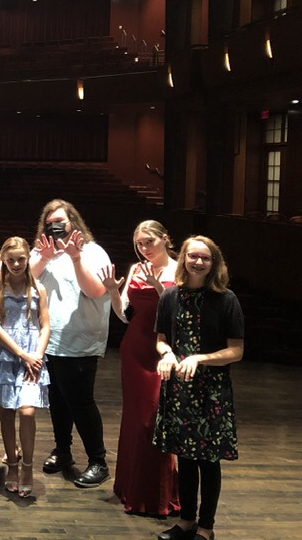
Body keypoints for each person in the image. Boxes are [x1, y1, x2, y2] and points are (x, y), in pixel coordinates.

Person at [153, 236, 244, 540]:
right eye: (193, 256)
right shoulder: (170, 296)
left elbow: (236, 351)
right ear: (184, 259)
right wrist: (167, 354)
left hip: (212, 390)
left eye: (205, 258)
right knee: (185, 457)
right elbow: (161, 340)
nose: (199, 262)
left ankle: (206, 527)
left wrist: (199, 358)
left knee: (208, 460)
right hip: (180, 389)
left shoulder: (226, 299)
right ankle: (186, 520)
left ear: (214, 262)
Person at [100, 220, 180, 517]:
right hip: (134, 348)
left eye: (149, 242)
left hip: (163, 350)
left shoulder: (179, 270)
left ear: (165, 238)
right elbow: (125, 315)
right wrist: (112, 291)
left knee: (153, 421)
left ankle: (159, 496)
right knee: (135, 421)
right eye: (139, 244)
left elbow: (179, 313)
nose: (144, 248)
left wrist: (159, 287)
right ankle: (130, 489)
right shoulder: (136, 268)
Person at [30, 199, 112, 488]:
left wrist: (75, 258)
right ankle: (62, 450)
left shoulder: (93, 252)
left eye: (61, 222)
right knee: (57, 400)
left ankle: (98, 461)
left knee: (80, 402)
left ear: (73, 222)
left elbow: (96, 290)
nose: (55, 227)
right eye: (50, 223)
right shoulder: (42, 252)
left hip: (80, 340)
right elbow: (24, 280)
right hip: (49, 339)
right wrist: (43, 258)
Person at [0, 237, 50, 498]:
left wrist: (37, 355)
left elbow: (45, 324)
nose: (17, 264)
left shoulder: (38, 288)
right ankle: (12, 463)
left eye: (21, 259)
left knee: (27, 412)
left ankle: (27, 467)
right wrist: (21, 354)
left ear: (28, 258)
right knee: (7, 412)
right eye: (11, 260)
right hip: (5, 355)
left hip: (32, 356)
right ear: (4, 260)